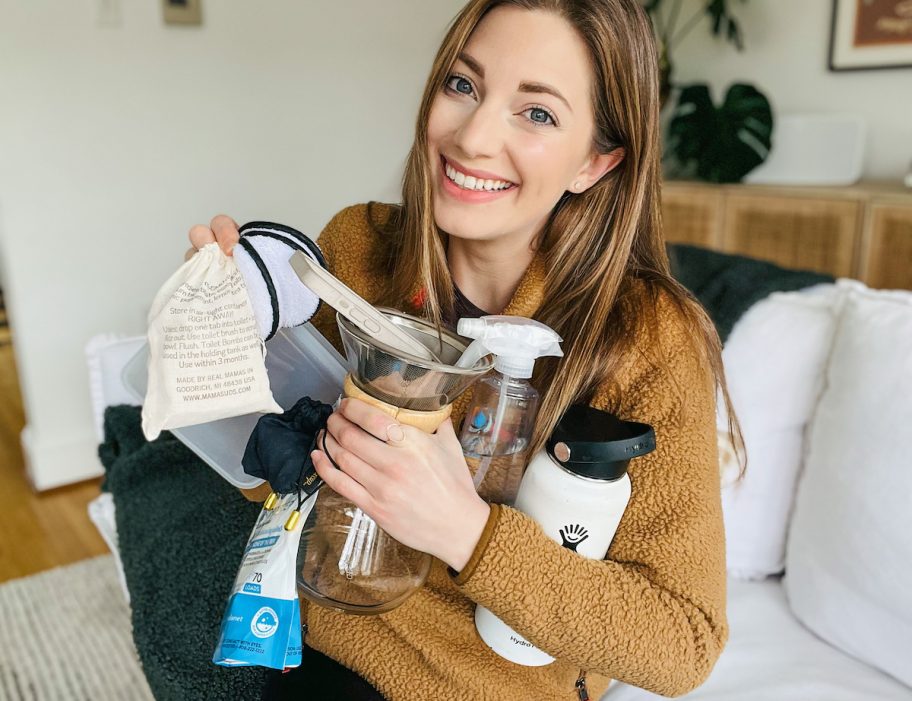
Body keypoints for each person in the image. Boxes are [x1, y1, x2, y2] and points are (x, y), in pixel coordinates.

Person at [187, 1, 735, 699]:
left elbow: (683, 641)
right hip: (321, 645)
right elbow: (272, 478)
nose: (473, 138)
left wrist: (469, 533)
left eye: (537, 113)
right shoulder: (357, 249)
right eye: (462, 85)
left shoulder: (650, 339)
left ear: (595, 161)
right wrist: (224, 345)